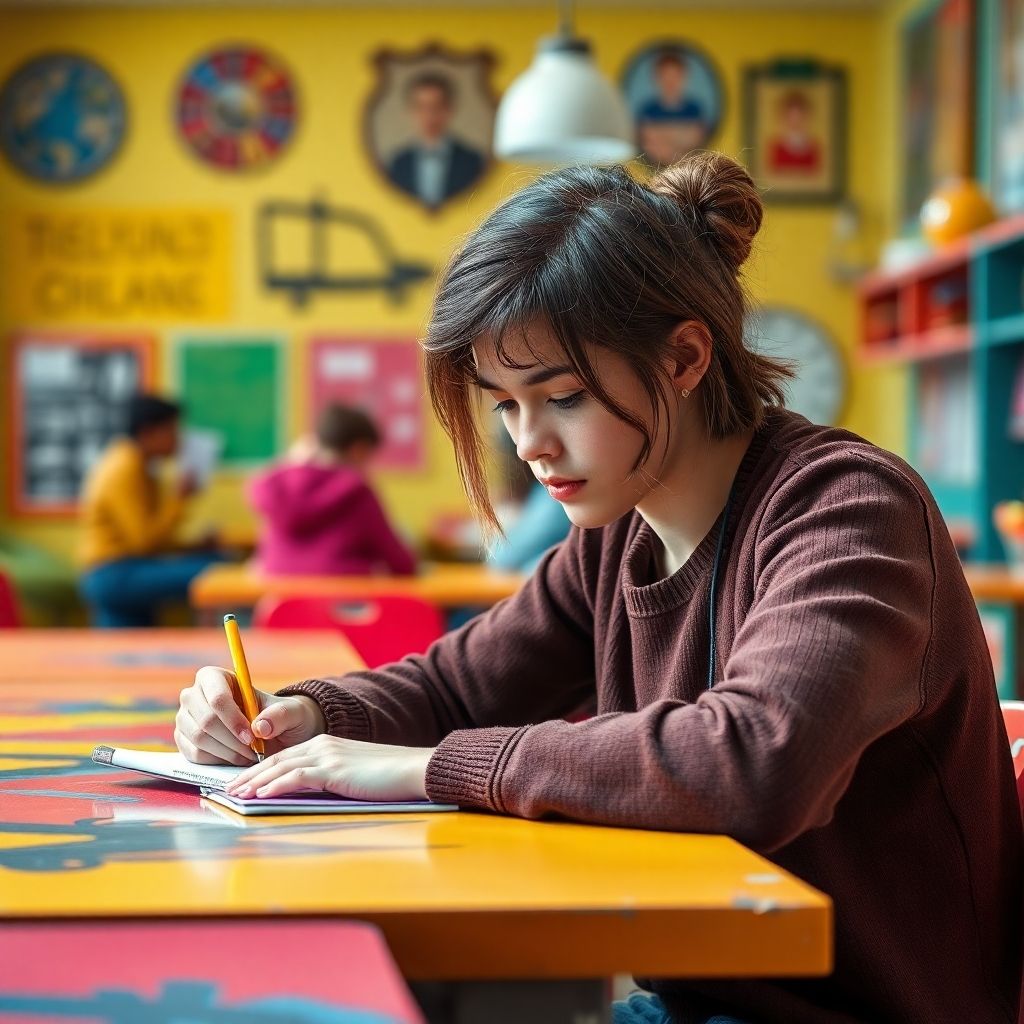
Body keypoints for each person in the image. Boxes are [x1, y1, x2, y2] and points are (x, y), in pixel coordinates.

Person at [175, 152, 1023, 1023]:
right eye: (504, 405)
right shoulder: (619, 531)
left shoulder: (845, 506)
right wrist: (296, 715)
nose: (529, 442)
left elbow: (759, 760)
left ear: (688, 356)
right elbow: (457, 685)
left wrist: (431, 770)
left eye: (565, 395)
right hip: (701, 997)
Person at [78, 393, 222, 628]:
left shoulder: (139, 465)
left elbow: (150, 539)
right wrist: (179, 500)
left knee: (125, 649)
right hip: (114, 573)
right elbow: (144, 542)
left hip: (122, 569)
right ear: (148, 432)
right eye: (172, 431)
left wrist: (192, 546)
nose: (179, 439)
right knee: (215, 570)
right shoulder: (125, 468)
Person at [248, 403, 415, 577]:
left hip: (278, 600)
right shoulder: (358, 491)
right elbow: (401, 563)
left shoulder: (279, 488)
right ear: (358, 450)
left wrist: (289, 462)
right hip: (342, 600)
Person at [386, 71, 485, 209]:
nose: (429, 115)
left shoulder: (472, 161)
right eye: (421, 107)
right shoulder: (398, 163)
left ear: (449, 109)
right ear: (411, 110)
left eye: (436, 106)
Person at [637, 50, 706, 165]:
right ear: (657, 78)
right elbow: (649, 144)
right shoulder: (647, 110)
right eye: (665, 76)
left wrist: (661, 135)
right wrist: (680, 136)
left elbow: (695, 141)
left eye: (674, 75)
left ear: (683, 77)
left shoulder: (695, 110)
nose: (670, 81)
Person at [766, 90, 822, 175]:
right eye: (791, 115)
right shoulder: (777, 147)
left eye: (799, 115)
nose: (795, 120)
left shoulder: (813, 147)